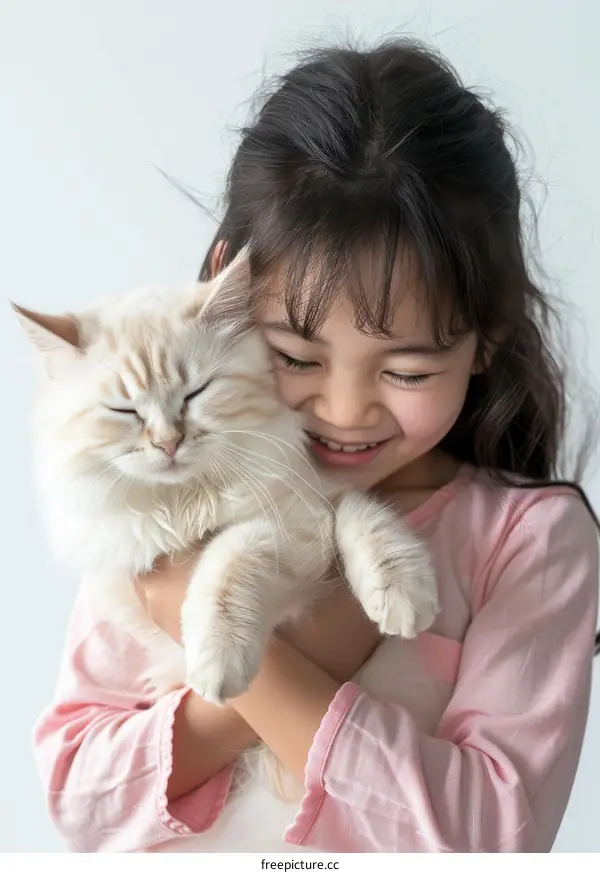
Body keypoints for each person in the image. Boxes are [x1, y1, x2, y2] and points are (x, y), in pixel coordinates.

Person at [33, 39, 599, 853]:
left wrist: (230, 636)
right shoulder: (162, 490)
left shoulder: (528, 540)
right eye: (297, 357)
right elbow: (78, 796)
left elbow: (489, 840)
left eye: (405, 368)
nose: (342, 408)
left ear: (486, 335)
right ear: (226, 293)